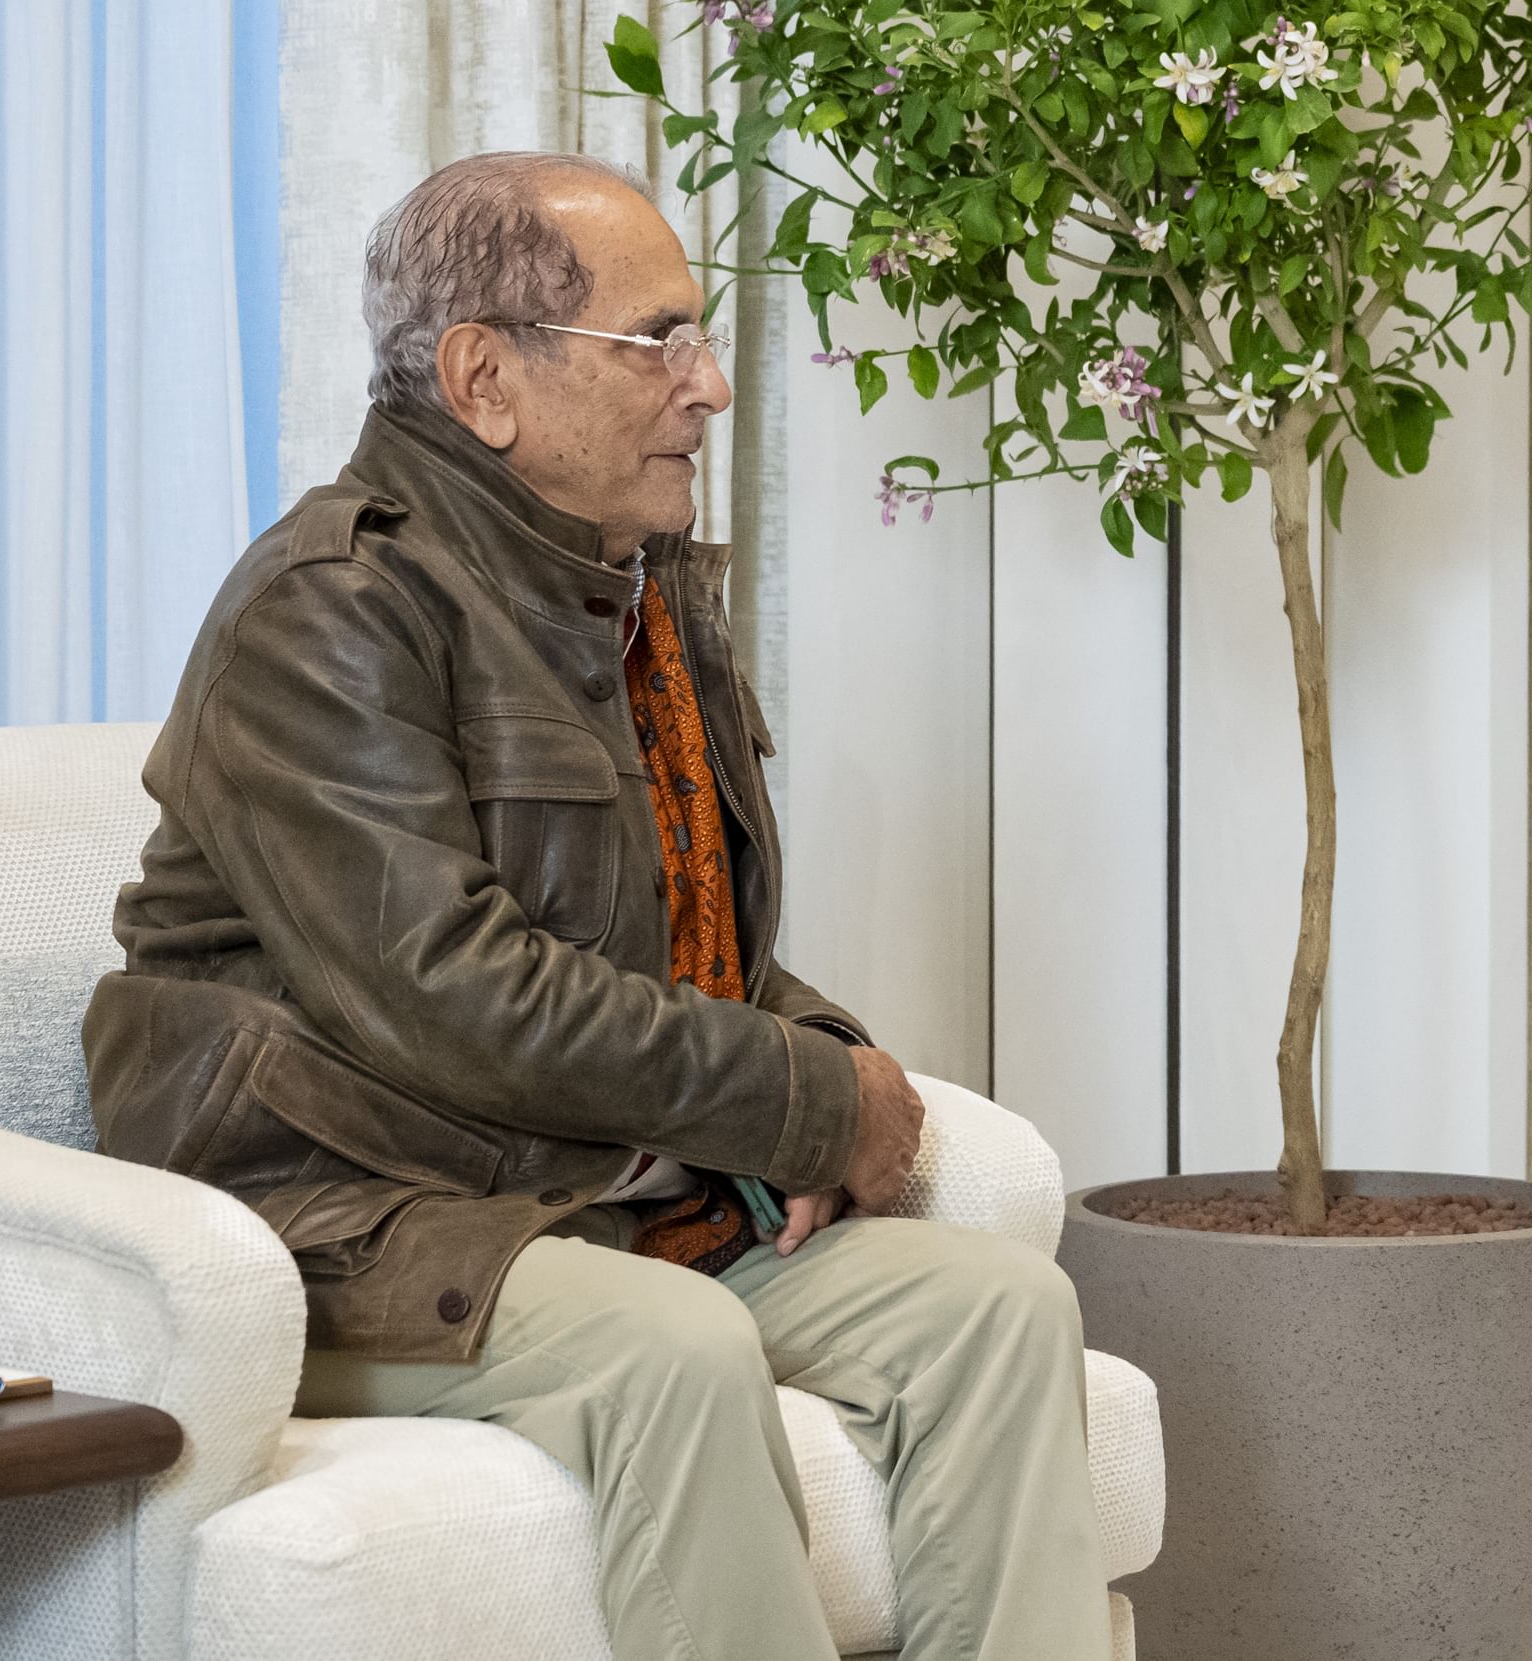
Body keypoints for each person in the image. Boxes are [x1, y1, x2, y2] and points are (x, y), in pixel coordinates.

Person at [86, 152, 1109, 1661]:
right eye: (661, 341)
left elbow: (680, 933)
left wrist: (826, 1059)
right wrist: (797, 1101)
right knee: (676, 1348)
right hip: (359, 1214)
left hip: (595, 1194)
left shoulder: (629, 586)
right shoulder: (328, 609)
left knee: (1000, 1307)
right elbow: (457, 990)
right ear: (485, 376)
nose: (708, 388)